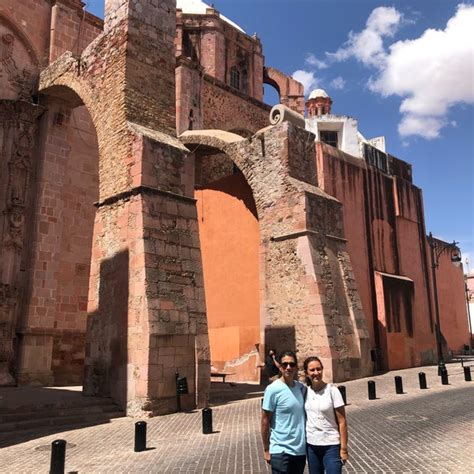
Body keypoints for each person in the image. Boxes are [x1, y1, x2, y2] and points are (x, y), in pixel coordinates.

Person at [261, 351, 307, 474]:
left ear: (296, 367)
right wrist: (266, 449)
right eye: (285, 364)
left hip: (299, 451)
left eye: (292, 364)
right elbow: (265, 420)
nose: (288, 367)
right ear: (280, 367)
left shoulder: (300, 388)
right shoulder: (272, 389)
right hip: (280, 452)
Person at [303, 356, 348, 474]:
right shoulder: (305, 392)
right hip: (312, 445)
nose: (316, 373)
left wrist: (343, 449)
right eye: (312, 370)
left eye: (319, 369)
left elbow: (342, 421)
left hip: (331, 445)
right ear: (306, 373)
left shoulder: (332, 391)